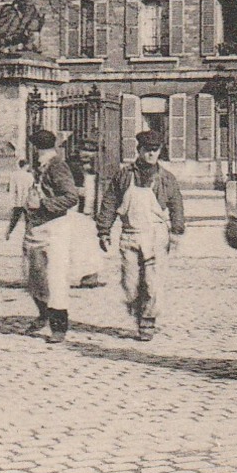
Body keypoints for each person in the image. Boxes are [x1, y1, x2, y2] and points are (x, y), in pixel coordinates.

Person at [96, 130, 187, 341]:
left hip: (156, 235)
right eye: (147, 150)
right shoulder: (124, 175)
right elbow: (110, 202)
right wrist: (104, 230)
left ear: (160, 151)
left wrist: (177, 230)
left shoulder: (166, 178)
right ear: (139, 150)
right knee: (130, 283)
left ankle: (148, 321)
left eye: (155, 150)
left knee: (153, 283)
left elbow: (176, 205)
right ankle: (138, 310)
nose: (151, 154)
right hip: (129, 234)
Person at [23, 129, 80, 344]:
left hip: (55, 228)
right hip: (36, 228)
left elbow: (71, 197)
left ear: (35, 148)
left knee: (56, 278)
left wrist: (44, 204)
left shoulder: (57, 166)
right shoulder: (40, 168)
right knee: (34, 277)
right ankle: (44, 313)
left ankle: (59, 327)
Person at [5, 155, 33, 241]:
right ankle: (27, 234)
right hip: (27, 200)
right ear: (26, 165)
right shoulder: (29, 176)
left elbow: (9, 188)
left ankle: (8, 232)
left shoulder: (13, 175)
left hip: (17, 201)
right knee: (28, 219)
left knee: (14, 218)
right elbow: (31, 188)